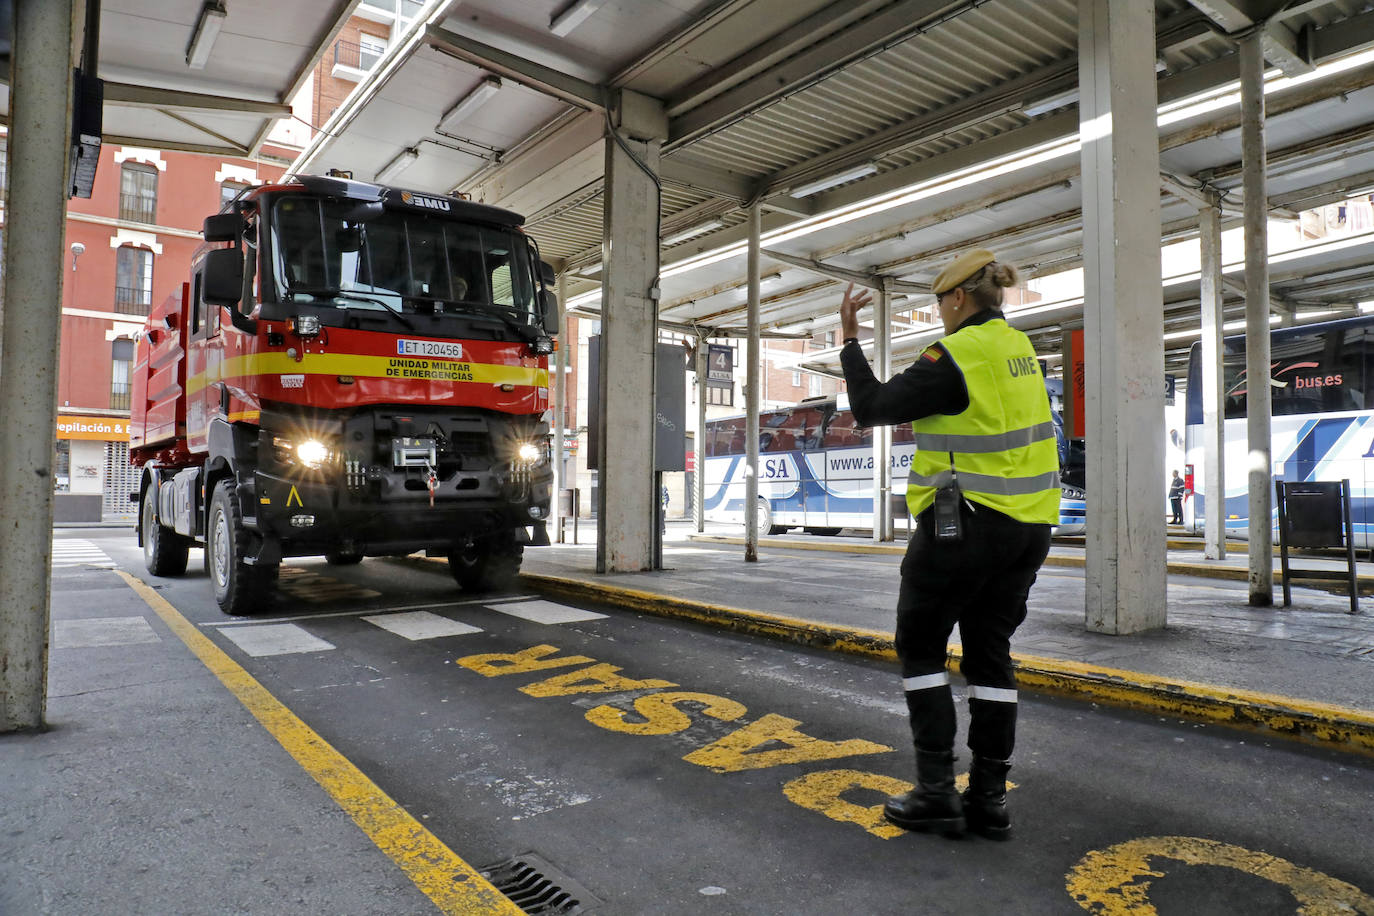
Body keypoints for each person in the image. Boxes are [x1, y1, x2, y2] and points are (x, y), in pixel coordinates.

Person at [837, 249, 1060, 840]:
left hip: (965, 526)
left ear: (958, 298)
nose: (938, 312)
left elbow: (872, 407)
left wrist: (850, 341)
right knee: (990, 657)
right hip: (1030, 528)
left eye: (940, 301)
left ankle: (935, 791)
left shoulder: (956, 354)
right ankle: (988, 798)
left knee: (921, 647)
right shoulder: (1020, 350)